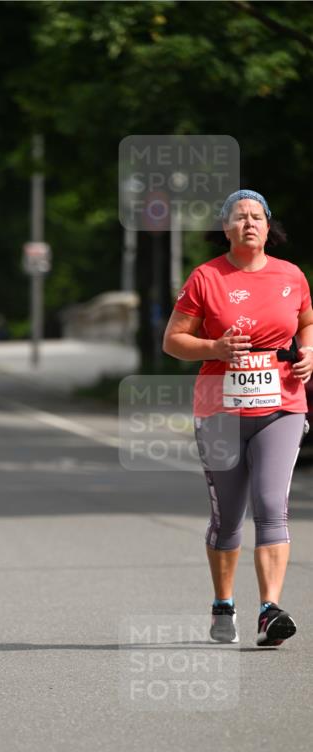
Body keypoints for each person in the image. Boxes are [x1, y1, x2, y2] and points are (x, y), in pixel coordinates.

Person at [163, 189, 313, 647]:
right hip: (220, 409)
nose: (249, 223)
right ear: (225, 228)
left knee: (272, 507)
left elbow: (306, 322)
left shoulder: (291, 276)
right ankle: (223, 602)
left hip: (282, 404)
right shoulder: (207, 277)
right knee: (228, 518)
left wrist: (308, 352)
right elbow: (173, 340)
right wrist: (215, 348)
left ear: (269, 227)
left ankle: (269, 610)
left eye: (257, 216)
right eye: (239, 217)